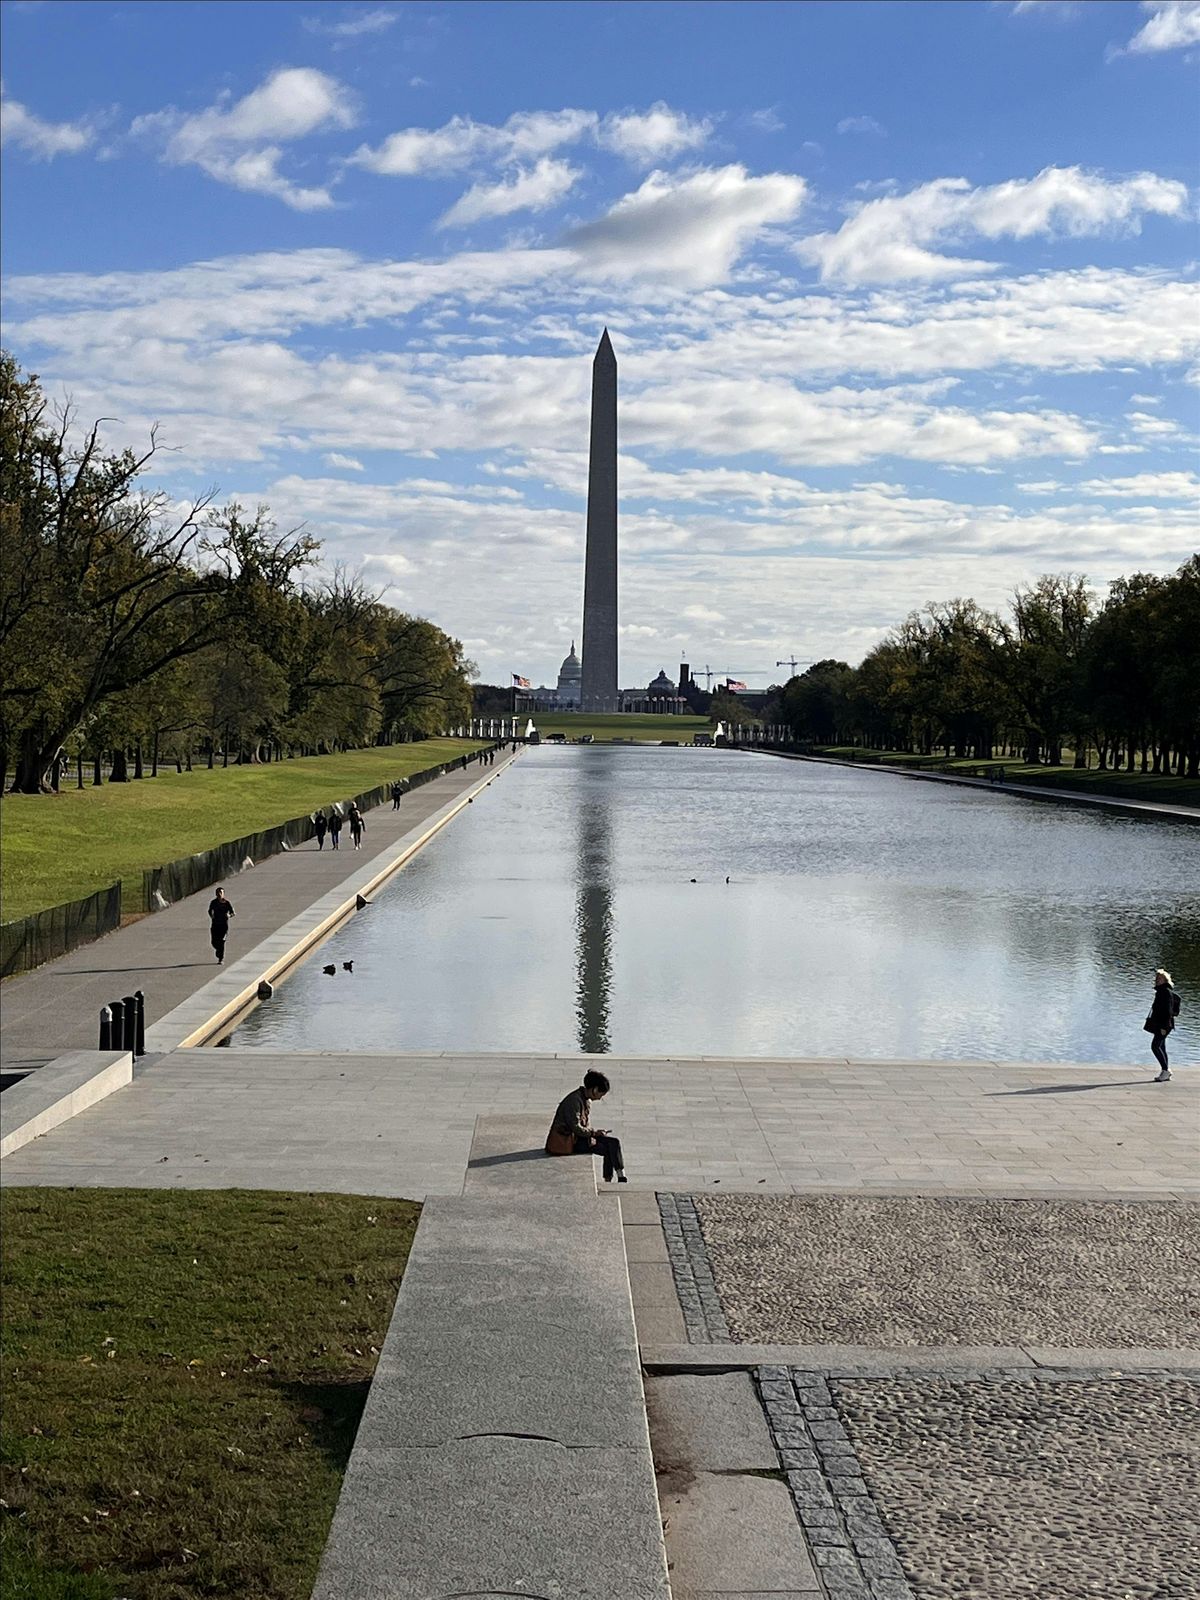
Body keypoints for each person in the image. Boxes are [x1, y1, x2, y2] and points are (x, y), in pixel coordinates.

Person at [545, 1068, 627, 1183]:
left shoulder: (585, 1099)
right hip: (568, 1141)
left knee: (614, 1142)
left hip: (579, 1138)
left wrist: (594, 1134)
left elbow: (584, 1126)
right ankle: (610, 1180)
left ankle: (620, 1176)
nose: (600, 1098)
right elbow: (576, 1127)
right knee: (608, 1148)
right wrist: (593, 1133)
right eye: (601, 1094)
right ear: (595, 1090)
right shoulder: (574, 1101)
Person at [1147, 967, 1179, 1081]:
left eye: (1160, 978)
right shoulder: (1162, 991)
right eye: (1156, 978)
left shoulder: (1164, 992)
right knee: (1161, 1046)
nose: (1157, 980)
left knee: (1155, 1046)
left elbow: (1167, 1011)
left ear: (1165, 980)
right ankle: (1166, 1070)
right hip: (1162, 1024)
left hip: (1164, 1025)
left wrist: (1163, 1027)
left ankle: (1165, 1070)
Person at [208, 887, 235, 965]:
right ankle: (218, 950)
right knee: (214, 942)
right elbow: (210, 910)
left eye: (221, 893)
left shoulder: (227, 903)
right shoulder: (213, 902)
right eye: (218, 893)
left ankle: (221, 958)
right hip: (215, 925)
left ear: (223, 894)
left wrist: (229, 915)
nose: (219, 894)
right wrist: (211, 915)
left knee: (222, 942)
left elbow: (233, 912)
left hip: (223, 926)